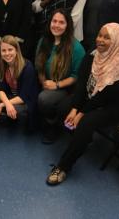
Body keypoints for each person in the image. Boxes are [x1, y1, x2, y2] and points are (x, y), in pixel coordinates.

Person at [46, 23, 119, 186]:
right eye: (100, 35)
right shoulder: (94, 55)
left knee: (86, 122)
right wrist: (75, 108)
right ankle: (82, 139)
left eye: (107, 37)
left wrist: (81, 112)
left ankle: (63, 166)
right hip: (96, 97)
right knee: (64, 108)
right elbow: (83, 83)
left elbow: (107, 96)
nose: (101, 40)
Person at [35, 9, 85, 143]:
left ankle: (53, 125)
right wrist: (43, 82)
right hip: (46, 82)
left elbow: (76, 76)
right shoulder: (43, 41)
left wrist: (56, 85)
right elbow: (39, 66)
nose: (56, 25)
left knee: (44, 99)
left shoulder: (76, 48)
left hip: (66, 88)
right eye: (54, 21)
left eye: (61, 22)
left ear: (67, 25)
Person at [0, 35, 38, 130]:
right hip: (11, 97)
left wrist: (3, 104)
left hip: (25, 100)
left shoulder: (27, 67)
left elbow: (24, 97)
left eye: (10, 49)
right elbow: (0, 90)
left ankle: (21, 129)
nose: (7, 53)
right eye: (3, 50)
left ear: (16, 50)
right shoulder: (2, 65)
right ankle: (9, 123)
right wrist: (7, 103)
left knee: (15, 109)